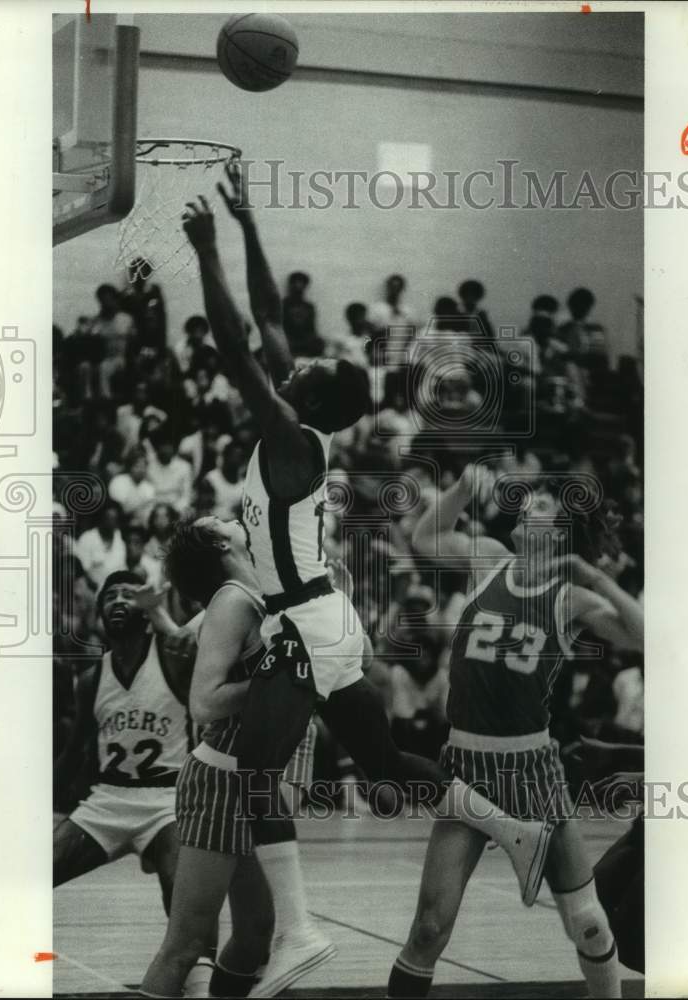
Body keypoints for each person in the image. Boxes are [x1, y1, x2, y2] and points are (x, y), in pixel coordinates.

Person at [166, 165, 558, 993]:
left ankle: (299, 929)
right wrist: (245, 224)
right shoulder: (302, 426)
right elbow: (268, 319)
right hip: (326, 617)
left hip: (303, 622)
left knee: (256, 774)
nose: (293, 362)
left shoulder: (290, 438)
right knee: (381, 765)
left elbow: (237, 344)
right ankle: (514, 831)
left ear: (309, 392)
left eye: (301, 366)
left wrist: (203, 251)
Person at [388, 466, 644, 998]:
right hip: (468, 767)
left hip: (532, 769)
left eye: (544, 506)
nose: (528, 508)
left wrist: (596, 578)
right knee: (429, 927)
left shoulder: (570, 596)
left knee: (588, 921)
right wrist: (459, 490)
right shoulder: (490, 560)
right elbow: (426, 537)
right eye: (531, 502)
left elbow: (647, 639)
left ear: (563, 529)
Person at [141, 517, 334, 1000]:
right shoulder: (232, 600)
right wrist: (281, 681)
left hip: (260, 781)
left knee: (254, 936)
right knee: (184, 946)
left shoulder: (262, 594)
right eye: (220, 519)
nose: (232, 516)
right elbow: (203, 703)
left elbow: (187, 639)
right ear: (222, 543)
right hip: (224, 781)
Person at [53, 572, 216, 995]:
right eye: (111, 596)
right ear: (99, 612)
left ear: (144, 610)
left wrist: (163, 611)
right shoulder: (91, 677)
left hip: (169, 798)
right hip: (108, 800)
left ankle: (200, 982)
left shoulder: (173, 659)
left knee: (183, 888)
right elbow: (75, 754)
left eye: (129, 594)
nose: (119, 600)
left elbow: (204, 653)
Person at [75, 502, 127, 590]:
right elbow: (83, 571)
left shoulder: (120, 538)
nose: (111, 522)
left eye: (114, 519)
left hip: (116, 589)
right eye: (108, 518)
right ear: (101, 518)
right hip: (91, 589)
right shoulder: (87, 538)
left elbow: (123, 567)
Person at [109, 446, 157, 526]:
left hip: (140, 523)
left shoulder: (149, 487)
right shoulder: (118, 481)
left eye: (144, 467)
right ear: (130, 467)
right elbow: (122, 509)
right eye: (137, 466)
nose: (141, 470)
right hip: (121, 521)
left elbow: (149, 511)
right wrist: (141, 507)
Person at [282, 271, 323, 357]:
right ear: (291, 285)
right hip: (288, 339)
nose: (299, 286)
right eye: (296, 282)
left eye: (301, 283)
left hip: (305, 340)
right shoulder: (283, 305)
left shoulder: (309, 307)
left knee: (319, 343)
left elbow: (312, 328)